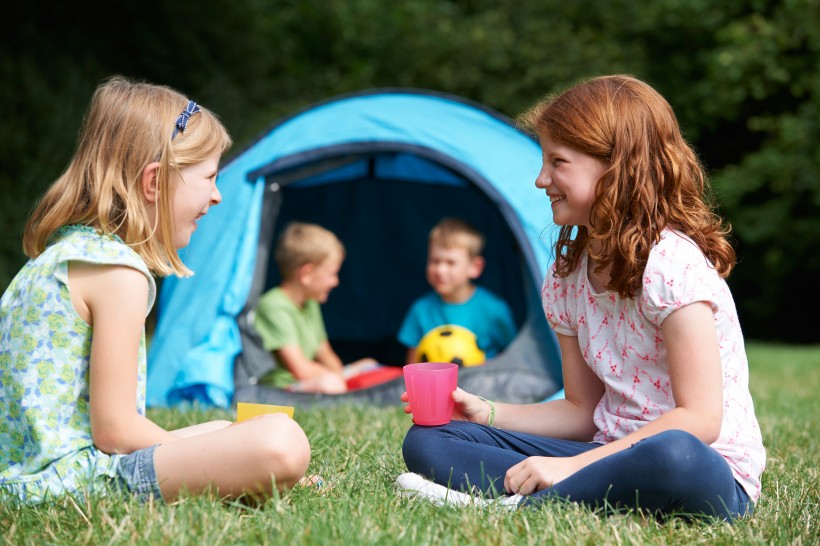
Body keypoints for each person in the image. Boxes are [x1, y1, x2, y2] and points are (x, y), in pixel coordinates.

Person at [396, 74, 765, 522]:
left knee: (675, 454)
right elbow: (582, 412)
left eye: (558, 162)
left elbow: (701, 420)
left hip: (706, 473)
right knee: (429, 439)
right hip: (605, 450)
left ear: (617, 167)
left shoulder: (673, 267)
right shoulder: (568, 274)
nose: (540, 179)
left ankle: (515, 506)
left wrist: (572, 466)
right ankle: (564, 494)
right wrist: (486, 411)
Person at [0, 76, 311, 506]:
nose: (217, 196)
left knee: (225, 430)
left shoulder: (61, 256)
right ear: (154, 183)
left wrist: (218, 450)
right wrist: (206, 462)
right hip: (69, 485)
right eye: (209, 177)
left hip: (27, 477)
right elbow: (116, 431)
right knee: (281, 441)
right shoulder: (118, 272)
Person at [252, 221, 384, 394]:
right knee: (331, 384)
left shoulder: (310, 304)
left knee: (369, 363)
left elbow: (326, 354)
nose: (336, 282)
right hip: (284, 388)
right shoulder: (274, 306)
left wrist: (343, 373)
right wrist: (342, 377)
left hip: (315, 378)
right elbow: (301, 370)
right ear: (307, 274)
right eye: (332, 274)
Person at [397, 217, 517, 365]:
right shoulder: (420, 310)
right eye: (435, 261)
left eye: (450, 262)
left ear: (475, 267)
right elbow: (412, 368)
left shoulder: (495, 310)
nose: (440, 270)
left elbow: (512, 358)